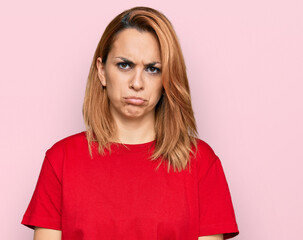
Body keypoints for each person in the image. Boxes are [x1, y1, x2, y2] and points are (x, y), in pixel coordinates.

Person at [21, 6, 239, 240]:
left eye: (152, 69)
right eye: (125, 65)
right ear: (102, 71)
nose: (137, 83)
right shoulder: (61, 160)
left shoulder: (200, 163)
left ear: (167, 79)